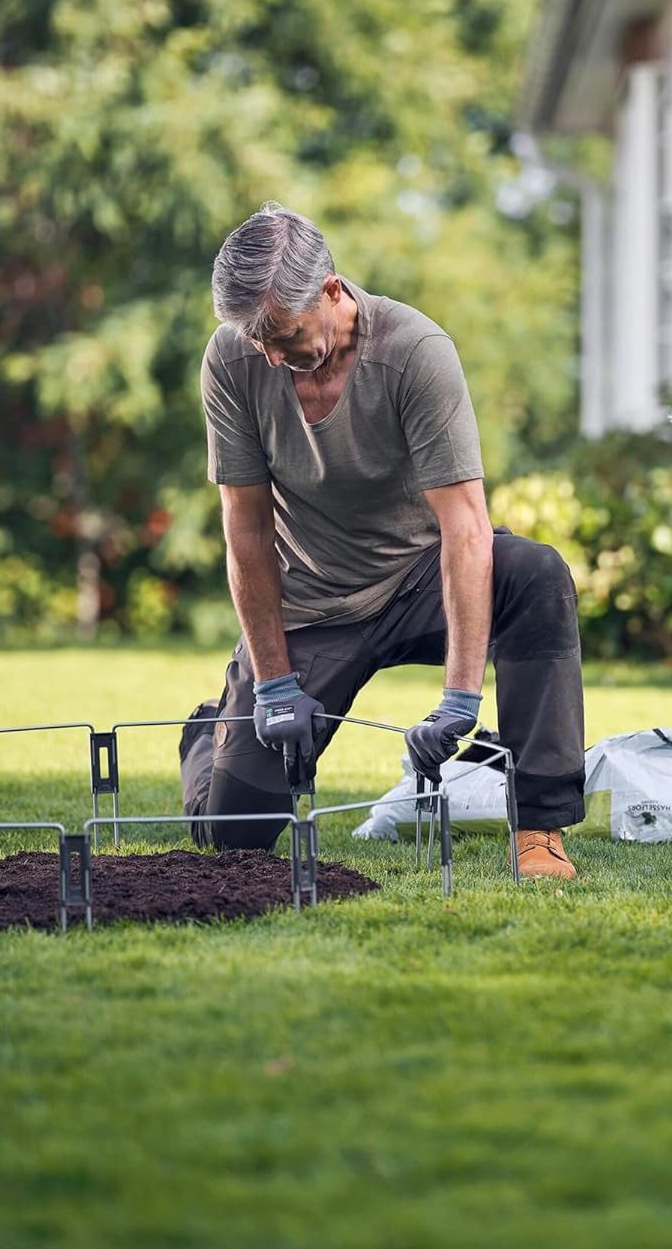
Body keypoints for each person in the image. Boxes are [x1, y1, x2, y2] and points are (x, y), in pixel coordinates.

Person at [179, 203, 584, 879]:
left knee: (536, 576)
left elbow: (465, 528)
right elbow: (246, 529)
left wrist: (459, 702)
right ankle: (209, 733)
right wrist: (275, 686)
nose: (271, 358)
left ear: (332, 292)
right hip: (312, 604)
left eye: (283, 335)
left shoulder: (415, 354)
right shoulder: (232, 360)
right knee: (233, 840)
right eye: (258, 343)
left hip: (421, 580)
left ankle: (540, 830)